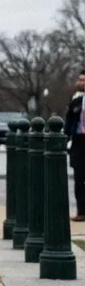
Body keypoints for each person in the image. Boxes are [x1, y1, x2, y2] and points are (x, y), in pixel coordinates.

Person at [65, 69, 85, 222]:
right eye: (79, 79)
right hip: (79, 141)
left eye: (83, 80)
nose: (80, 83)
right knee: (79, 177)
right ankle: (81, 211)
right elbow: (69, 120)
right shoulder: (75, 100)